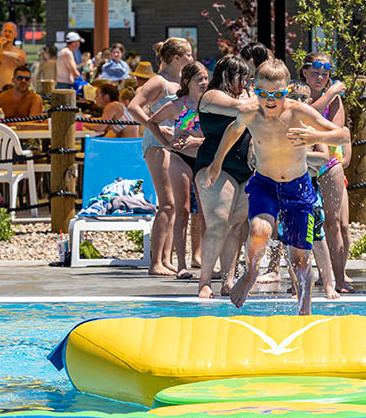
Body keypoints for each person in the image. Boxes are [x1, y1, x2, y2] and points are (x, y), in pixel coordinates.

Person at [206, 59, 349, 315]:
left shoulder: (299, 112)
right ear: (254, 89)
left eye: (278, 94)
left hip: (298, 188)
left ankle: (304, 314)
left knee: (300, 260)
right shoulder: (250, 112)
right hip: (265, 184)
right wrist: (217, 162)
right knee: (259, 230)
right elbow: (233, 130)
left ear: (287, 91)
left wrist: (316, 137)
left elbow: (343, 135)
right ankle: (250, 273)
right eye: (263, 94)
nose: (270, 100)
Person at [128, 38, 194, 276]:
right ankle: (156, 262)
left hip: (173, 144)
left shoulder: (179, 81)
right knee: (166, 202)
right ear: (176, 57)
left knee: (175, 205)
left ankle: (166, 259)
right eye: (189, 55)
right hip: (157, 143)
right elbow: (133, 106)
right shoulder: (159, 81)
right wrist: (154, 127)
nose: (192, 59)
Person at [194, 55, 254, 299]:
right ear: (228, 76)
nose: (246, 82)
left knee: (236, 225)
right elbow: (243, 109)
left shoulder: (247, 97)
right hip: (214, 165)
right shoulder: (211, 96)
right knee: (218, 222)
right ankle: (205, 282)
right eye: (242, 77)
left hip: (245, 168)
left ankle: (228, 279)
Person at [149, 61, 209, 280]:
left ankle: (205, 262)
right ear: (187, 82)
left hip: (203, 159)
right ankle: (181, 264)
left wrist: (196, 140)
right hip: (180, 159)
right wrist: (165, 143)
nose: (203, 82)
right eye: (198, 79)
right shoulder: (178, 105)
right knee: (182, 211)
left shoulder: (210, 104)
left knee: (206, 214)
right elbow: (152, 121)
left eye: (205, 78)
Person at [301, 53, 353, 293]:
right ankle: (303, 278)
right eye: (315, 72)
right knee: (301, 221)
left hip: (329, 162)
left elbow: (334, 130)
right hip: (302, 162)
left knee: (334, 222)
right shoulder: (296, 93)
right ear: (304, 72)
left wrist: (331, 98)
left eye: (325, 74)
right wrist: (330, 94)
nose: (320, 78)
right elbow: (301, 117)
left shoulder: (335, 102)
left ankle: (338, 278)